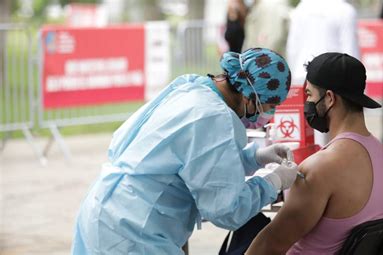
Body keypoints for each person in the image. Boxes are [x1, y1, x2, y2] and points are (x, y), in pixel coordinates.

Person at [71, 48, 298, 255]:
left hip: (106, 209)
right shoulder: (214, 117)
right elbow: (227, 210)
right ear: (250, 96)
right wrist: (273, 182)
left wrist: (253, 158)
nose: (265, 116)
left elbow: (194, 159)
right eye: (267, 108)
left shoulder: (193, 87)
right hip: (131, 231)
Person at [246, 52, 383, 254]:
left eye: (309, 95)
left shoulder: (319, 169)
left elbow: (268, 246)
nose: (306, 104)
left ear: (329, 98)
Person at [285, 0, 360, 146]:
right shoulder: (345, 10)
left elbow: (292, 47)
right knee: (334, 137)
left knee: (303, 137)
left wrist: (294, 80)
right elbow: (350, 52)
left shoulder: (302, 7)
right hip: (333, 79)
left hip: (302, 77)